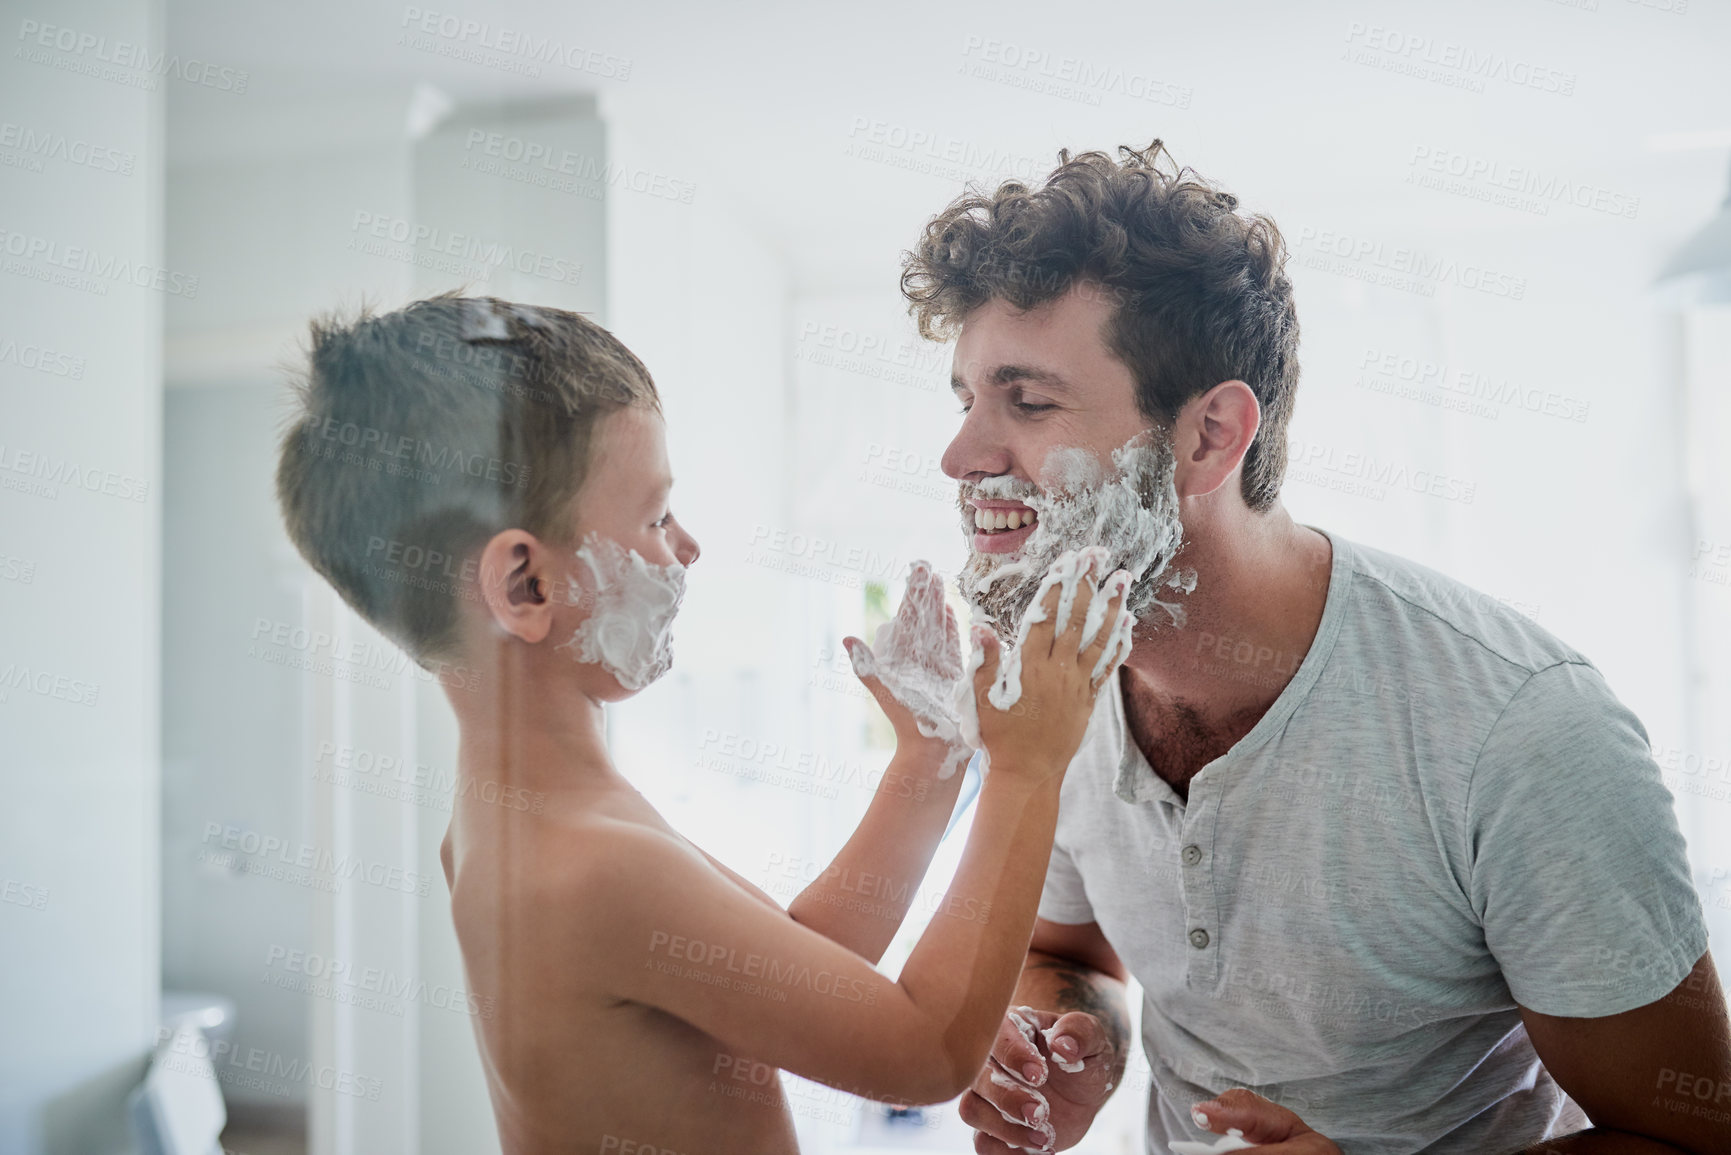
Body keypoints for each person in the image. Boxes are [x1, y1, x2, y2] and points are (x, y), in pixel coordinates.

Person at [914, 143, 1731, 1154]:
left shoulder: (1522, 733)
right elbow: (1065, 946)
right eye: (966, 400)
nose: (960, 457)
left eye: (1027, 402)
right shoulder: (1051, 692)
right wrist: (1075, 1038)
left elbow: (1694, 1135)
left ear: (1210, 435)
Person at [272, 292, 1136, 1154]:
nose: (686, 547)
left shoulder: (536, 821)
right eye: (654, 516)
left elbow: (797, 956)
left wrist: (929, 762)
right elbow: (925, 1051)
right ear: (526, 587)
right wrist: (1028, 769)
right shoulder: (587, 865)